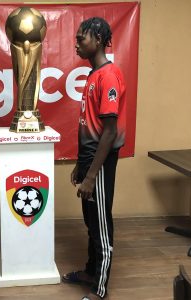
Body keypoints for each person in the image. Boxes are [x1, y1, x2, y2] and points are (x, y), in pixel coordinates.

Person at [62, 17, 126, 300]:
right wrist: (81, 163)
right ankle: (90, 271)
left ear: (98, 40)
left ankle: (99, 289)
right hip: (89, 161)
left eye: (81, 39)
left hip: (100, 164)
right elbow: (90, 125)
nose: (77, 44)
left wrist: (91, 175)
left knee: (100, 224)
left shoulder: (109, 75)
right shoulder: (93, 74)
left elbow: (109, 133)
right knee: (90, 220)